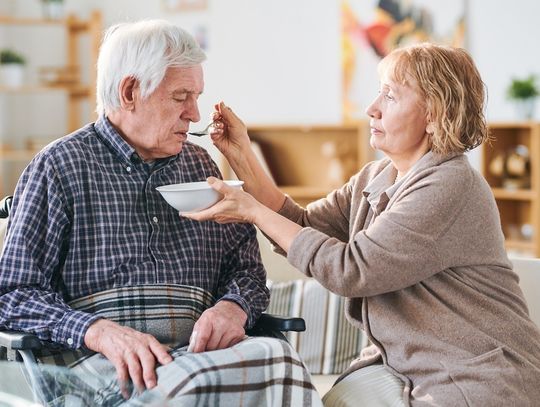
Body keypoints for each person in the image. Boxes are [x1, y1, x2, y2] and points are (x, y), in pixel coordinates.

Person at [184, 43, 540, 406]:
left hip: (475, 376)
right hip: (413, 368)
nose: (372, 108)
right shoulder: (378, 175)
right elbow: (300, 224)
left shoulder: (450, 184)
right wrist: (241, 152)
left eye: (390, 95)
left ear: (434, 115)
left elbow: (352, 270)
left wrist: (252, 211)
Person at [0, 20, 321, 406]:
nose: (195, 113)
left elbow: (247, 269)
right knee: (193, 384)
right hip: (95, 363)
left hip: (196, 356)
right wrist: (99, 331)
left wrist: (232, 308)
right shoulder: (59, 166)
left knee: (280, 358)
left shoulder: (200, 164)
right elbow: (12, 294)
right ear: (130, 91)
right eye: (181, 96)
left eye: (197, 95)